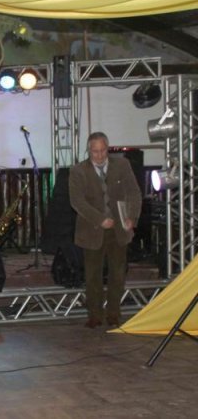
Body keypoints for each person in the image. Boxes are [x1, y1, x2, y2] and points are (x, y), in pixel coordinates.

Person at [69, 132, 142, 328]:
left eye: (103, 151)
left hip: (119, 229)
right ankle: (95, 315)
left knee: (118, 274)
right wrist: (100, 219)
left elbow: (134, 193)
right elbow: (77, 201)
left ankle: (113, 314)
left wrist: (132, 217)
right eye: (95, 152)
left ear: (107, 149)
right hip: (91, 230)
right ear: (88, 150)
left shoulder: (122, 165)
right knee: (93, 275)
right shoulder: (78, 171)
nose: (99, 156)